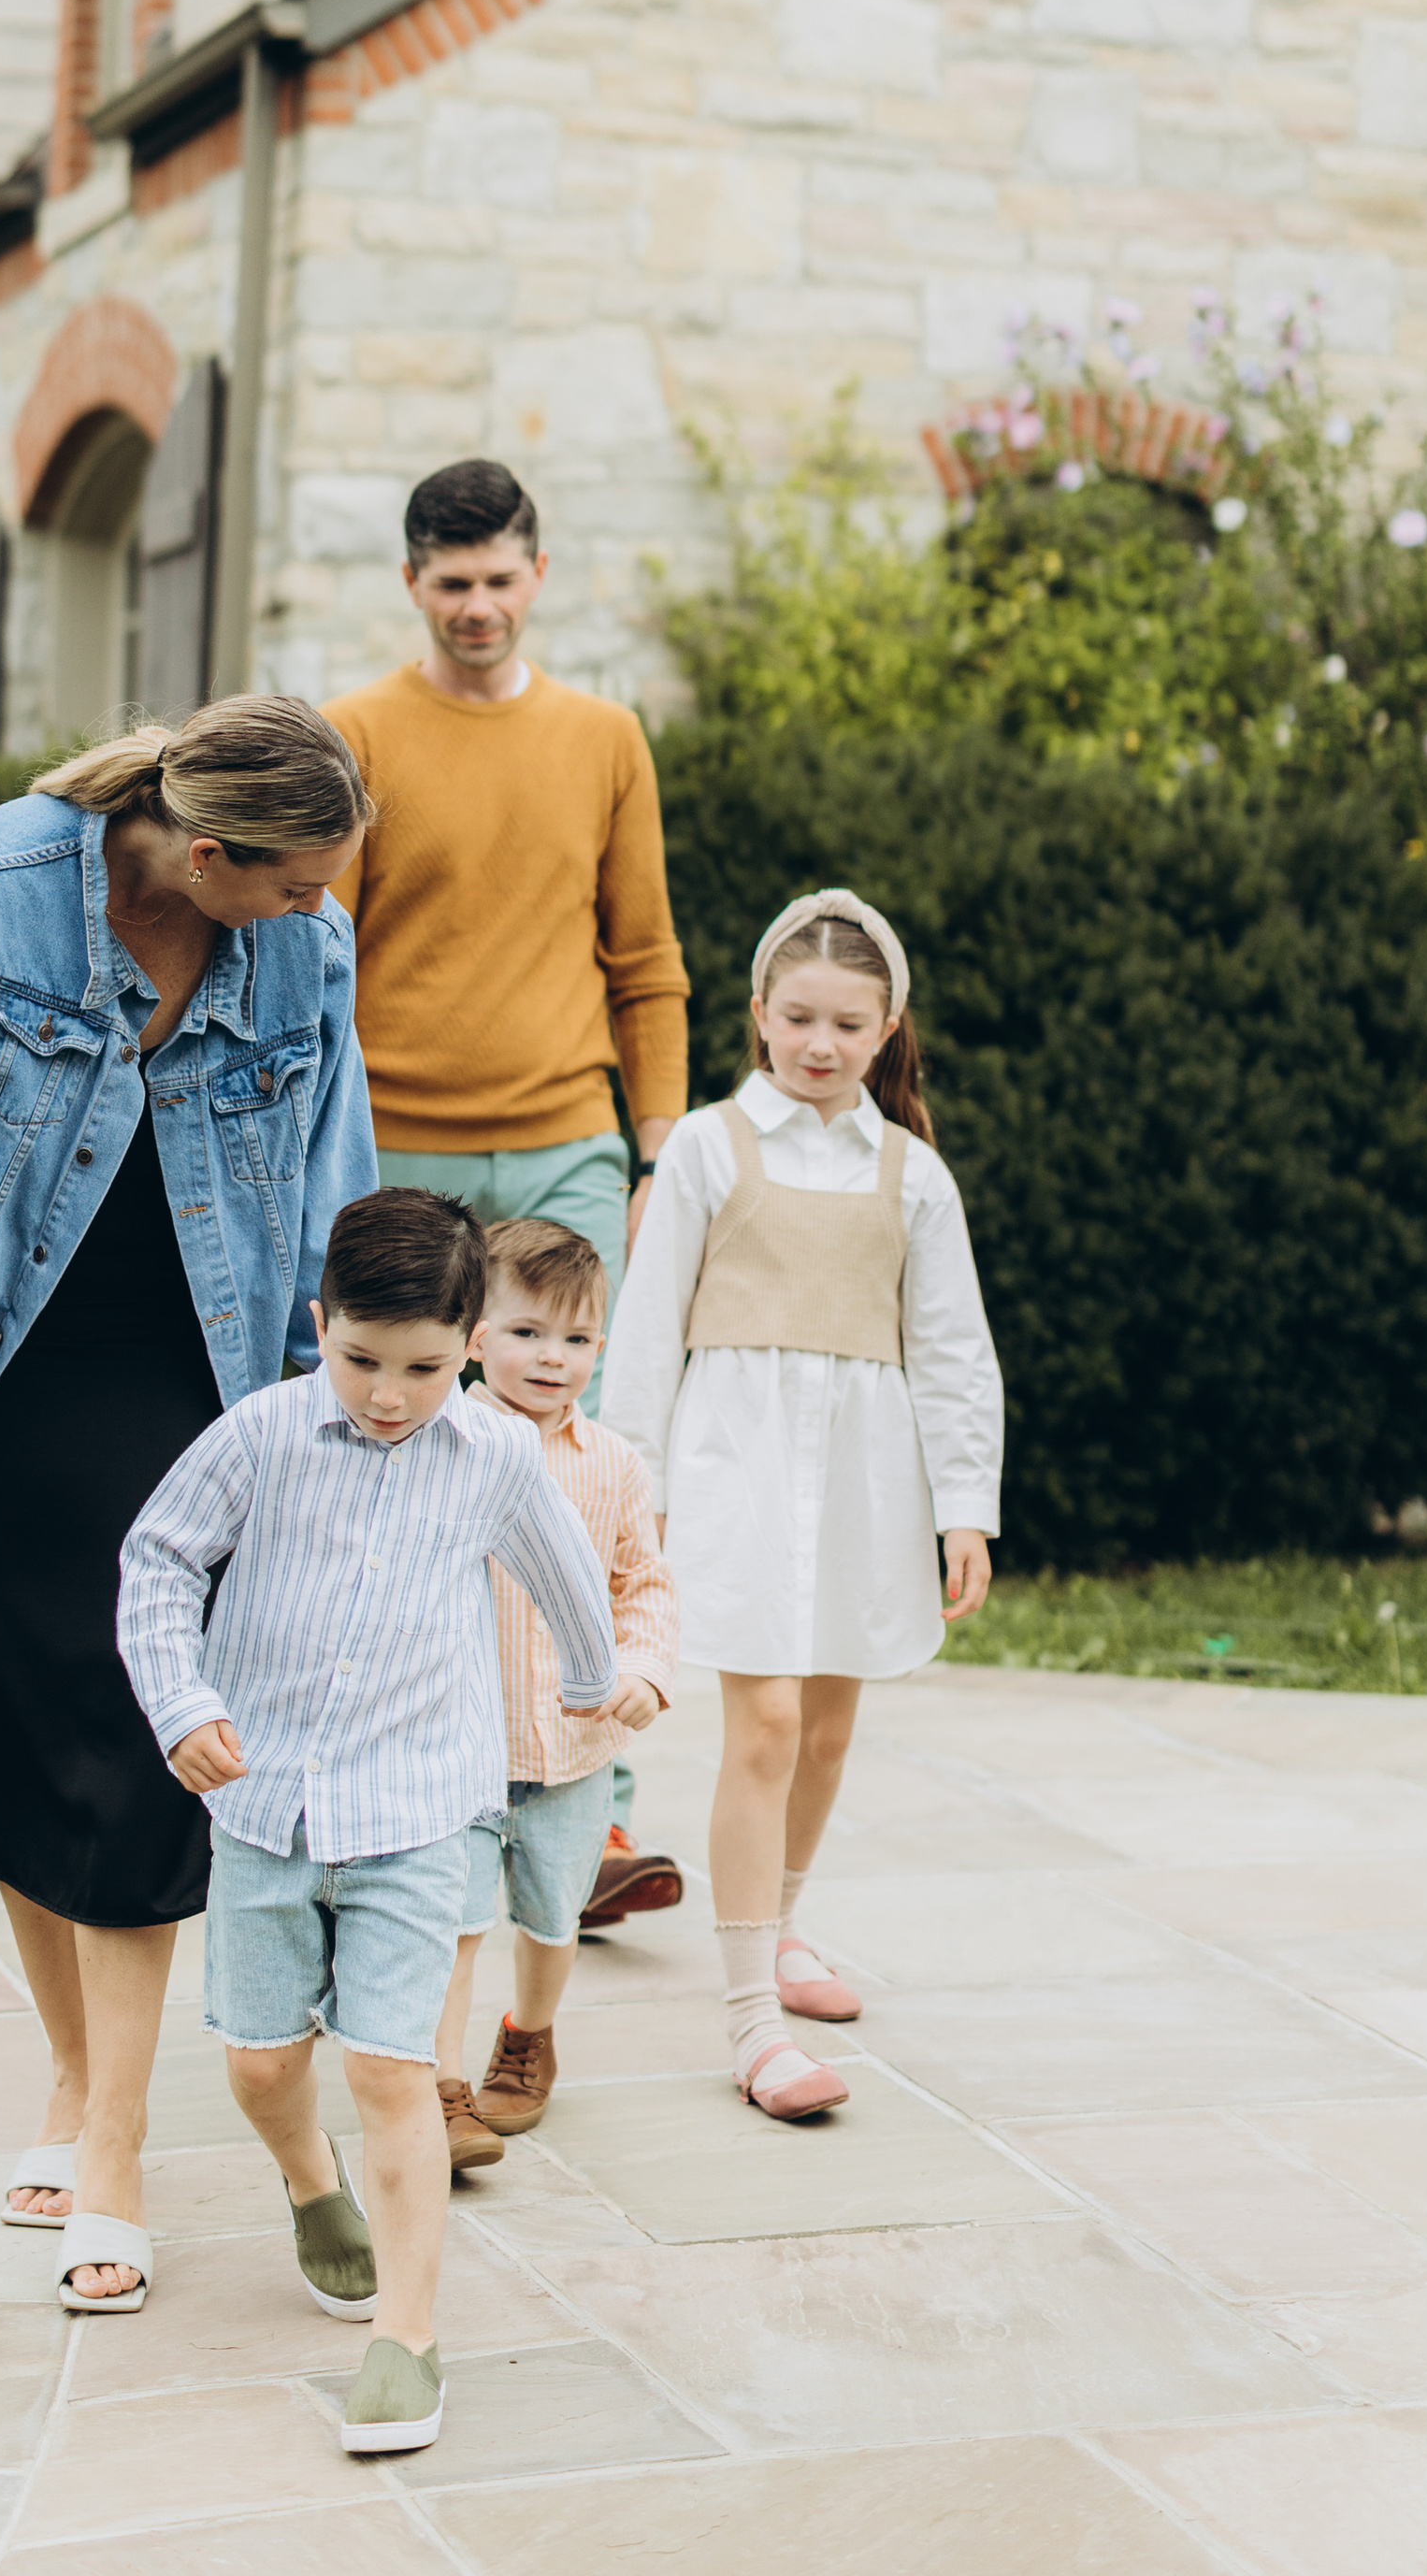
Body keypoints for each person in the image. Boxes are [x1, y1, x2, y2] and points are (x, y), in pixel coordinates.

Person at [0, 697, 377, 2314]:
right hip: (5, 1365)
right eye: (291, 883)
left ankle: (123, 2156)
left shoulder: (306, 945)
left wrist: (344, 1407)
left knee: (145, 1743)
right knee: (22, 1735)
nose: (320, 911)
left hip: (193, 1370)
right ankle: (78, 2085)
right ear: (206, 855)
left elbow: (334, 1173)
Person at [116, 1189, 615, 2455]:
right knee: (262, 2063)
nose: (389, 1396)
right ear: (320, 1321)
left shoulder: (494, 1455)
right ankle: (305, 2182)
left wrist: (595, 1682)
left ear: (467, 1343)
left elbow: (563, 1570)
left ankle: (408, 2337)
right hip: (265, 1806)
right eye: (360, 1360)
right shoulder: (262, 1437)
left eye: (426, 1369)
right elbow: (159, 1561)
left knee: (393, 2068)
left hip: (416, 1812)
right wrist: (181, 1705)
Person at [324, 454, 689, 1925]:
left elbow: (644, 959)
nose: (478, 606)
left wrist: (655, 1151)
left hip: (561, 1141)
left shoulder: (605, 738)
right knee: (408, 1462)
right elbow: (318, 961)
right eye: (451, 582)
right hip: (398, 1140)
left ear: (539, 576)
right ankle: (425, 1773)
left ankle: (591, 1809)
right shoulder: (357, 736)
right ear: (414, 584)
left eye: (500, 579)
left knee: (570, 1469)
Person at [600, 890, 1002, 2122]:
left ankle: (778, 1922)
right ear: (761, 1016)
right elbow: (647, 1326)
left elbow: (949, 1348)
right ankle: (749, 2020)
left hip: (865, 1485)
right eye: (799, 1019)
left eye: (848, 1024)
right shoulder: (712, 1151)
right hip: (737, 1474)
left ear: (886, 1030)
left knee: (827, 1731)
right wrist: (636, 1494)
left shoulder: (912, 1173)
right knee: (764, 1725)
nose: (821, 1045)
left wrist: (964, 1507)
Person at [434, 1219, 679, 2174]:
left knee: (549, 1917)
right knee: (450, 1921)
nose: (552, 1358)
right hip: (459, 1746)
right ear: (474, 1335)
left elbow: (642, 1581)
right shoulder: (438, 1439)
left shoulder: (611, 1464)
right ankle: (437, 2085)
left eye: (575, 1340)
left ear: (600, 1350)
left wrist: (644, 1670)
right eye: (527, 1332)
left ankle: (527, 2034)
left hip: (572, 1753)